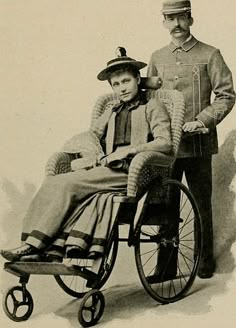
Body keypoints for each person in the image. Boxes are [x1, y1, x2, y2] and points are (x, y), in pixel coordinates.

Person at [0, 47, 173, 263]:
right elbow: (92, 135)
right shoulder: (112, 110)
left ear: (138, 78)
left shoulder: (152, 106)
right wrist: (94, 155)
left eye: (126, 81)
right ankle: (41, 245)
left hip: (134, 172)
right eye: (116, 84)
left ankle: (32, 245)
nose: (122, 88)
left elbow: (165, 143)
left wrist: (131, 150)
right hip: (107, 169)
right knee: (54, 181)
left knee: (68, 185)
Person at [147, 0, 235, 278]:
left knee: (200, 204)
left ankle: (204, 262)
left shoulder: (210, 54)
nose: (175, 24)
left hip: (198, 145)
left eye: (181, 18)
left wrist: (203, 120)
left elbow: (226, 95)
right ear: (163, 22)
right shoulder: (157, 57)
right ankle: (165, 269)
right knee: (166, 205)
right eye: (169, 19)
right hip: (166, 148)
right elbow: (149, 101)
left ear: (190, 19)